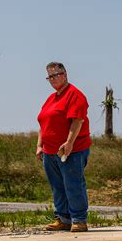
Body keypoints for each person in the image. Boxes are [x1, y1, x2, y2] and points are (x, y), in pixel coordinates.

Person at [36, 62, 92, 232]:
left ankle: (79, 220)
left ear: (65, 74)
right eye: (50, 76)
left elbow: (78, 121)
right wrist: (39, 145)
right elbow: (43, 123)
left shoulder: (75, 95)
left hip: (72, 150)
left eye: (56, 75)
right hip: (50, 151)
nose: (53, 79)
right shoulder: (51, 99)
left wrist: (69, 143)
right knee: (57, 186)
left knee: (73, 184)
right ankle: (63, 219)